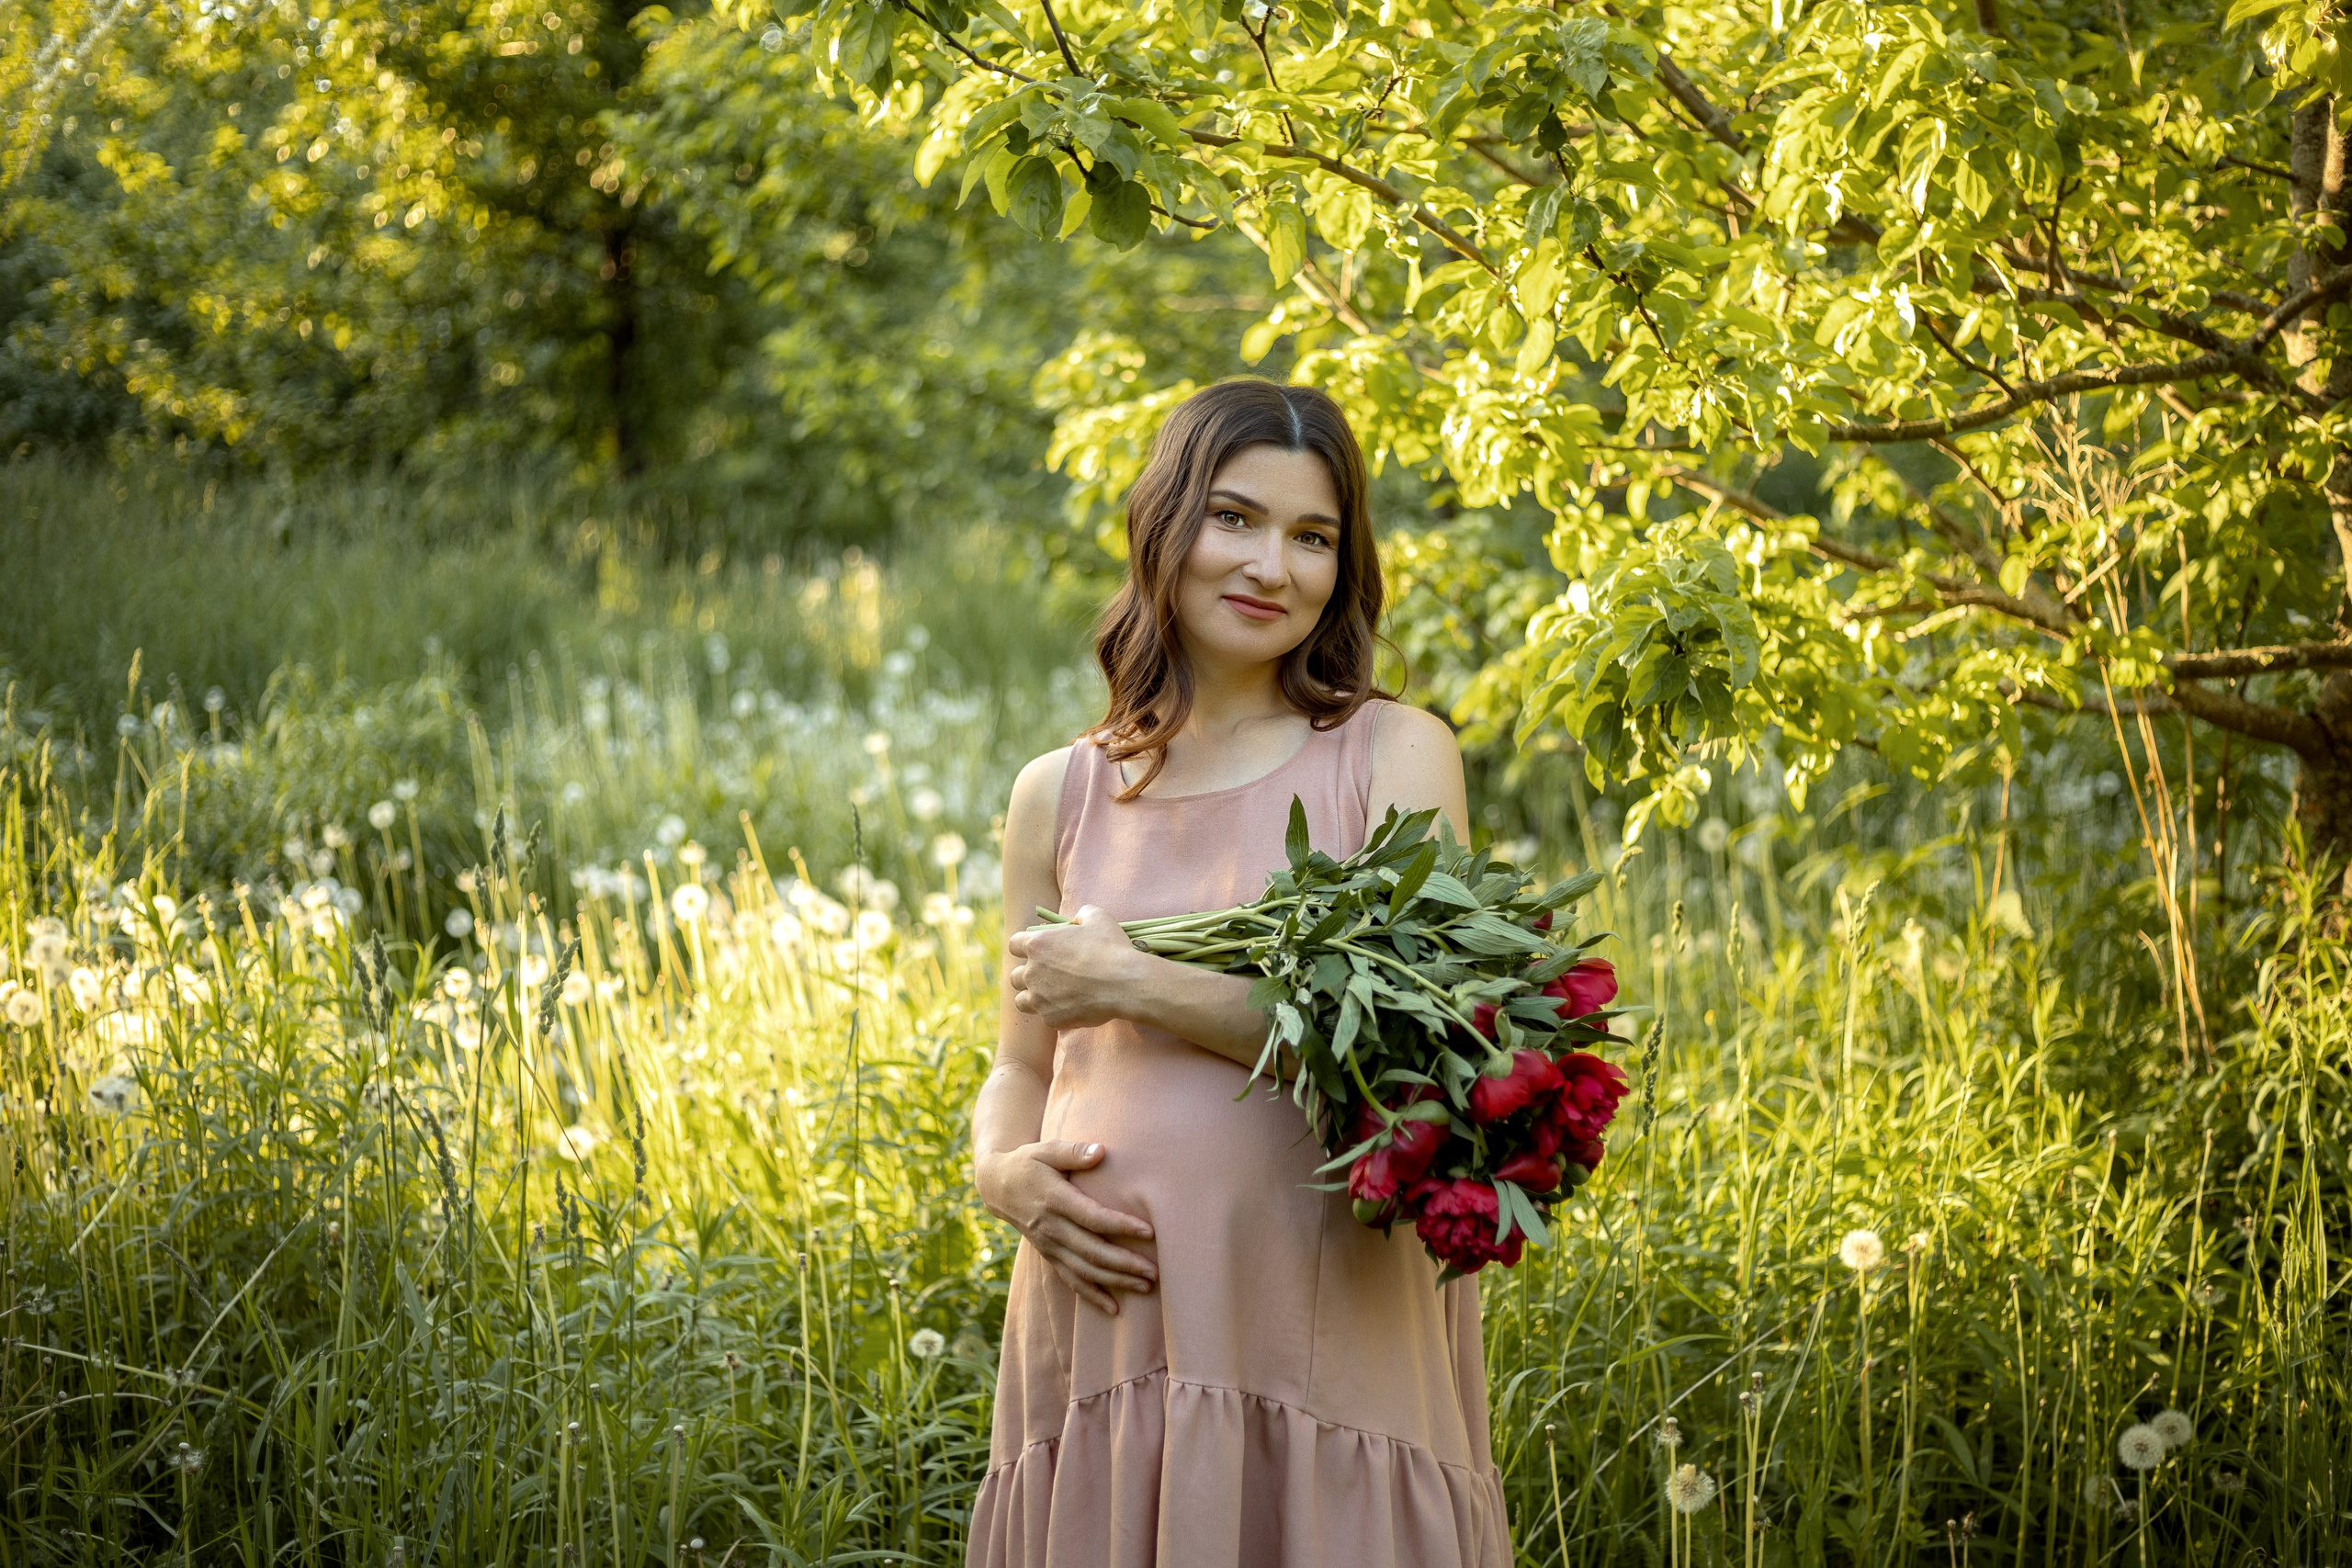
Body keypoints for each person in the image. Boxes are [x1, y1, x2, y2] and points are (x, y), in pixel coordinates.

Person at [965, 379, 1511, 1567]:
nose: (1275, 564)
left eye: (1313, 536)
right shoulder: (1059, 792)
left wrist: (1131, 983)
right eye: (1236, 519)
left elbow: (1403, 1054)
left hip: (1323, 1339)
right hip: (1110, 1337)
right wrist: (999, 1169)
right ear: (1167, 526)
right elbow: (1020, 1061)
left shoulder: (1395, 756)